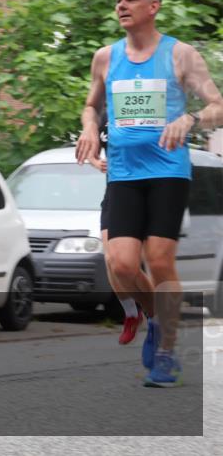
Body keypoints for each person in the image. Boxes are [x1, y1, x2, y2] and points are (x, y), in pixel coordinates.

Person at [75, 0, 222, 387]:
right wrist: (89, 128)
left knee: (159, 261)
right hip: (123, 173)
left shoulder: (181, 55)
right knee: (122, 264)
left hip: (167, 173)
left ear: (153, 6)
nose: (122, 5)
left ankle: (166, 354)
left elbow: (218, 106)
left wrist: (189, 119)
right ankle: (156, 318)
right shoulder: (106, 57)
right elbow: (91, 106)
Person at [87, 112, 147, 345]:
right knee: (111, 260)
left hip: (145, 192)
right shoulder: (102, 116)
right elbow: (91, 151)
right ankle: (131, 313)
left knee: (129, 264)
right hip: (114, 194)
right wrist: (96, 162)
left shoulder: (142, 111)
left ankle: (155, 313)